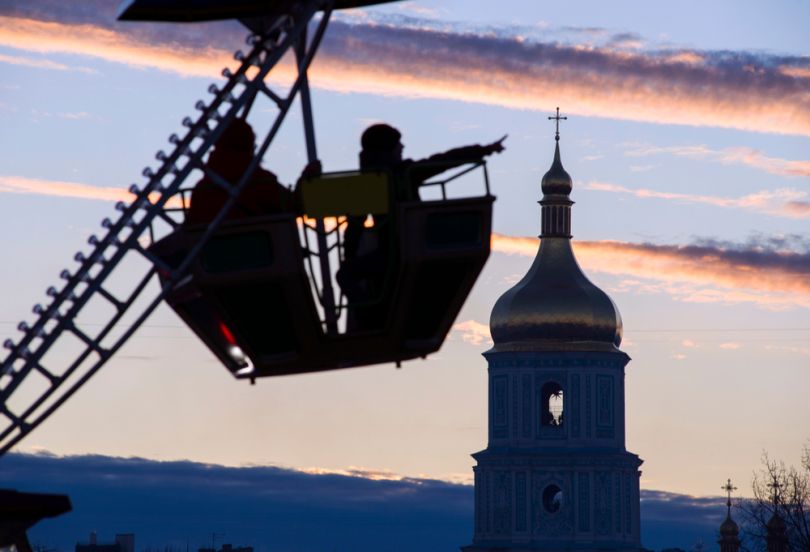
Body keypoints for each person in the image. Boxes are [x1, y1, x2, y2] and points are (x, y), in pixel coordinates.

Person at [338, 123, 505, 331]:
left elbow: (354, 227)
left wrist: (349, 257)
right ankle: (372, 314)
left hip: (392, 253)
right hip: (408, 249)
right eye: (397, 144)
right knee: (364, 276)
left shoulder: (370, 183)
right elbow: (444, 161)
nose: (402, 147)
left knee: (346, 274)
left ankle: (368, 316)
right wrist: (484, 150)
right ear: (387, 149)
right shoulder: (406, 174)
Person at [186, 118, 317, 224]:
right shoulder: (261, 183)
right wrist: (307, 178)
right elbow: (296, 207)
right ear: (249, 146)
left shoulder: (201, 190)